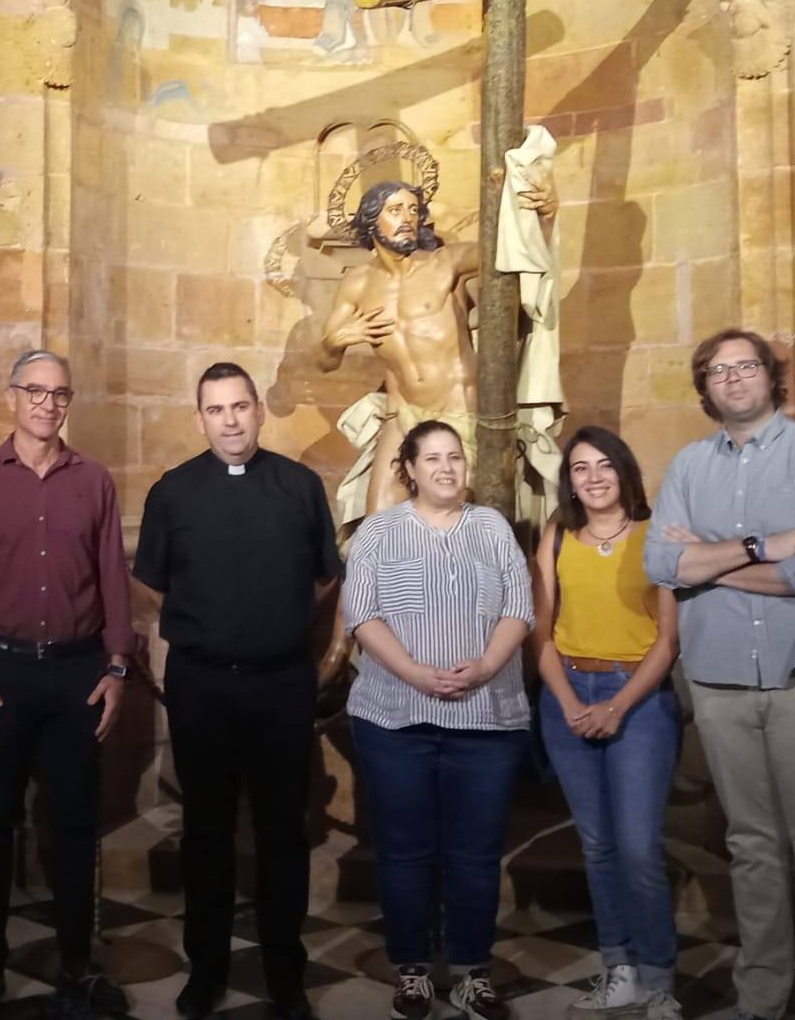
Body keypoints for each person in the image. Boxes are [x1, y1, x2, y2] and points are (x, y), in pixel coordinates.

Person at [645, 330, 795, 1020]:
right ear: (705, 388)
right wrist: (762, 548)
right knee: (751, 848)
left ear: (771, 378)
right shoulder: (689, 466)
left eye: (746, 366)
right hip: (721, 678)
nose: (734, 379)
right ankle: (762, 1000)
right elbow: (661, 566)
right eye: (719, 371)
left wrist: (714, 564)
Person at [0, 350, 136, 1020]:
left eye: (60, 395)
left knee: (75, 823)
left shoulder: (94, 482)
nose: (48, 405)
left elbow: (112, 578)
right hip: (0, 673)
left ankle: (76, 963)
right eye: (36, 392)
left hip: (77, 674)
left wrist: (116, 667)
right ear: (11, 397)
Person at [133, 363, 340, 1020]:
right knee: (206, 831)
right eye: (216, 409)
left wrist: (271, 626)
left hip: (281, 684)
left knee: (285, 831)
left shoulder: (300, 487)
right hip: (203, 687)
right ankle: (207, 969)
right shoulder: (172, 493)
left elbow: (323, 579)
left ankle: (285, 973)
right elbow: (158, 584)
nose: (230, 419)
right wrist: (216, 628)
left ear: (258, 411)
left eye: (240, 406)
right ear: (200, 419)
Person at [341, 421, 533, 1020]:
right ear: (410, 468)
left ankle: (474, 970)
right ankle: (414, 970)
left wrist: (484, 666)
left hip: (486, 718)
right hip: (396, 719)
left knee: (476, 855)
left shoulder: (492, 527)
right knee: (405, 852)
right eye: (432, 458)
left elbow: (519, 607)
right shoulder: (378, 531)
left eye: (455, 458)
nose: (446, 468)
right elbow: (362, 614)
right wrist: (416, 674)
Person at [532, 428, 681, 1018]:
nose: (592, 478)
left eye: (603, 466)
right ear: (568, 480)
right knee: (597, 845)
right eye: (579, 468)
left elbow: (668, 640)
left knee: (640, 846)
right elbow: (540, 631)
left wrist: (617, 705)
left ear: (624, 471)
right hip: (567, 690)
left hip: (637, 696)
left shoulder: (656, 535)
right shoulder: (557, 535)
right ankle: (618, 966)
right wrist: (568, 701)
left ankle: (660, 975)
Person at [319, 167, 555, 522]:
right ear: (372, 221)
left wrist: (545, 217)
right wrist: (334, 343)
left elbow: (512, 253)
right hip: (403, 416)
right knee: (378, 528)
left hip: (460, 413)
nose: (407, 218)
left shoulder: (447, 264)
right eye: (395, 210)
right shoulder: (357, 284)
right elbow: (322, 362)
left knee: (460, 527)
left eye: (414, 210)